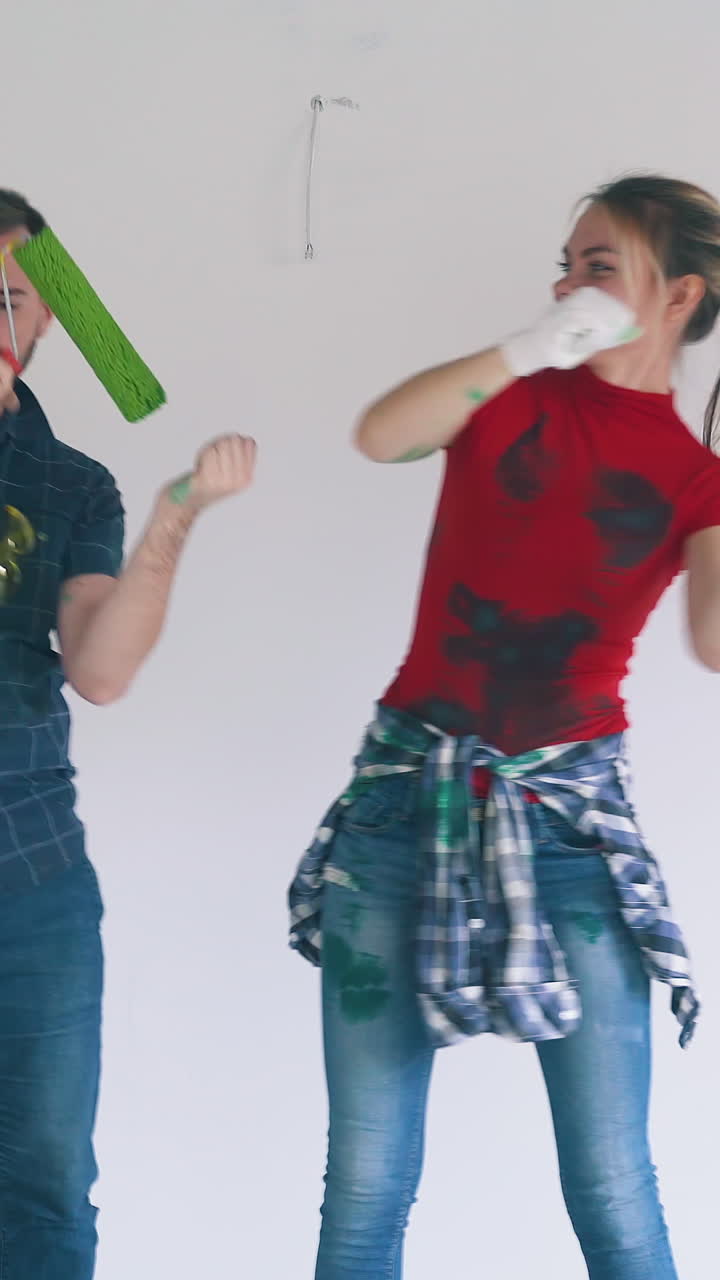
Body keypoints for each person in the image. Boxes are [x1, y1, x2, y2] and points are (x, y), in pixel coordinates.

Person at [289, 173, 720, 1280]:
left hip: (570, 830)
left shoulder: (696, 479)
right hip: (399, 807)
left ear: (681, 295)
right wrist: (533, 342)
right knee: (367, 1181)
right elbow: (381, 433)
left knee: (614, 1186)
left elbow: (716, 642)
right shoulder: (513, 397)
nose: (571, 282)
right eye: (565, 266)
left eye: (600, 265)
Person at [0, 188, 256, 1279]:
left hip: (32, 877)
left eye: (11, 296)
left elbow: (101, 672)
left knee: (46, 1187)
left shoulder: (70, 482)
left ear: (50, 317)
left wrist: (171, 521)